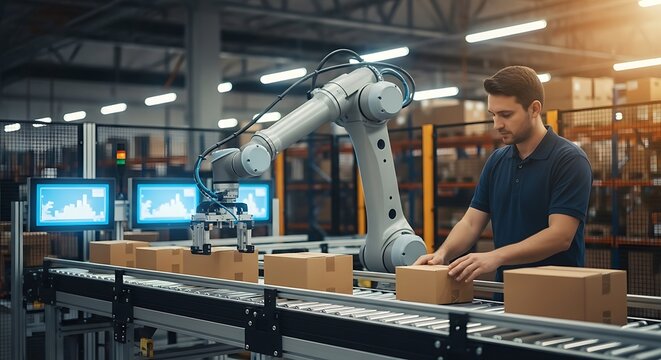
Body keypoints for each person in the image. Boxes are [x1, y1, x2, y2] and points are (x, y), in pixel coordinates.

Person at [414, 65, 592, 285]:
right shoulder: (497, 161)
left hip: (556, 293)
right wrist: (443, 254)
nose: (497, 125)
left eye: (506, 115)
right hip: (506, 293)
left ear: (534, 109)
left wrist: (495, 256)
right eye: (493, 115)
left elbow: (560, 236)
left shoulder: (569, 160)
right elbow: (471, 223)